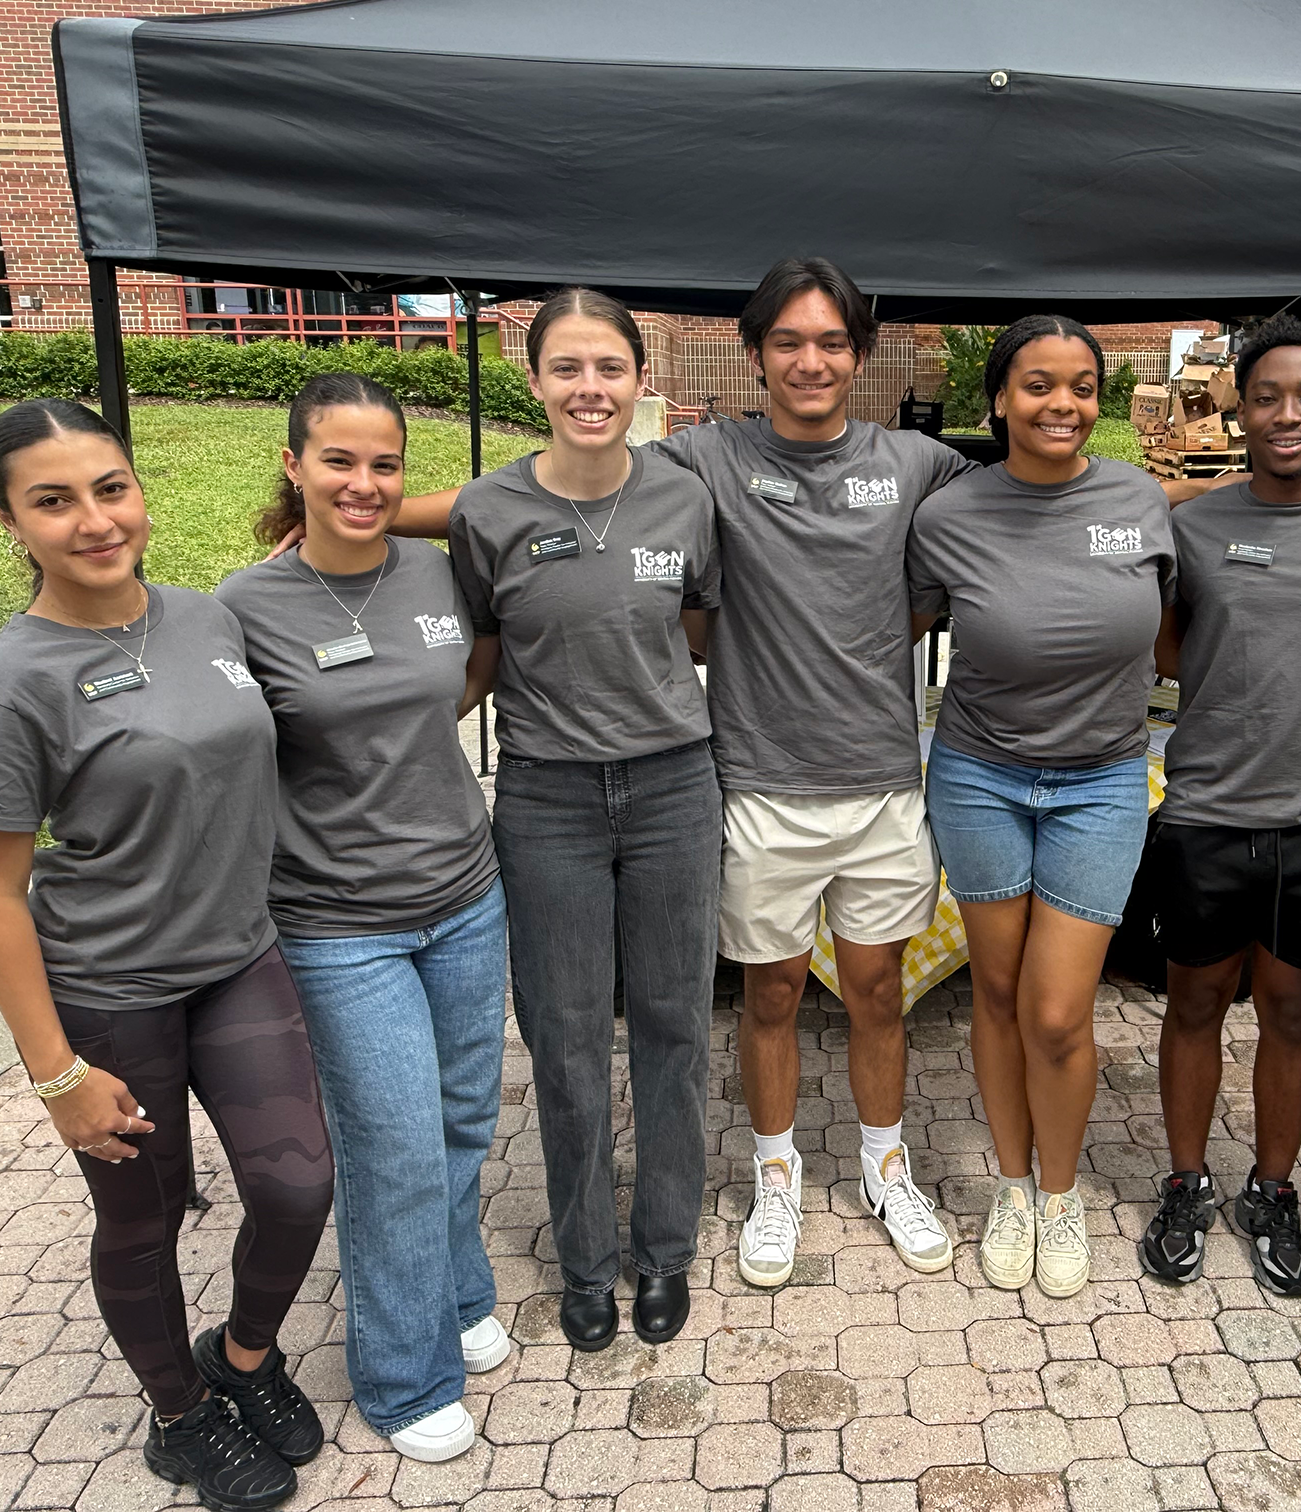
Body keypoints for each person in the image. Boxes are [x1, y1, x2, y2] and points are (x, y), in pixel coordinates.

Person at [344, 260, 974, 1290]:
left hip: (878, 783)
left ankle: (885, 1167)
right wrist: (362, 507)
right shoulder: (702, 462)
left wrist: (1215, 490)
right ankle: (775, 1180)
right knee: (767, 995)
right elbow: (538, 486)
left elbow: (1035, 496)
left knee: (875, 992)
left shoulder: (916, 464)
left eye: (829, 342)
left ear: (857, 354)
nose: (809, 361)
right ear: (755, 353)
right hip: (754, 778)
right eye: (788, 342)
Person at [0, 400, 331, 1510]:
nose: (93, 520)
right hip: (111, 990)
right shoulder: (9, 683)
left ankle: (242, 1359)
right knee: (146, 1216)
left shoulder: (208, 618)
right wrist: (56, 1073)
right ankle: (179, 1417)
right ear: (8, 521)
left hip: (236, 958)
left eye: (109, 488)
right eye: (53, 501)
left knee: (298, 1185)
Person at [216, 375, 506, 1462]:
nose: (365, 483)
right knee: (394, 1150)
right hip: (340, 926)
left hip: (467, 898)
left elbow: (469, 672)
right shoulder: (242, 608)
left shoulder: (433, 572)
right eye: (340, 461)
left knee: (463, 1122)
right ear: (294, 464)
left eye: (384, 463)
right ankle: (400, 1375)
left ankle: (459, 1288)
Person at [451, 289, 722, 1351]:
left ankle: (663, 1249)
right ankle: (586, 1262)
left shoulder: (685, 500)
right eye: (566, 368)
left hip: (670, 790)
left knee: (672, 1026)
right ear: (534, 382)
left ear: (641, 377)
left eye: (608, 367)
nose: (589, 389)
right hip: (548, 799)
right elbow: (473, 653)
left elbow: (696, 627)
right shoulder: (488, 513)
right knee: (562, 1041)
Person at [1139, 314, 1301, 1296]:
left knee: (1293, 1013)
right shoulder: (1194, 524)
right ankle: (1185, 1183)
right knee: (1195, 1004)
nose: (1286, 413)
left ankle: (1273, 1189)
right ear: (1237, 408)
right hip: (1206, 811)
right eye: (1266, 396)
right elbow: (1169, 649)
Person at [908, 315, 1176, 1298]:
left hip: (1101, 781)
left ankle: (1061, 1195)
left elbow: (1182, 622)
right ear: (999, 400)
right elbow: (894, 619)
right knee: (994, 989)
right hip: (979, 773)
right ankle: (1012, 1187)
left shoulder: (1141, 501)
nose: (1060, 404)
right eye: (1037, 385)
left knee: (1058, 1012)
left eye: (1079, 386)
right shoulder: (950, 515)